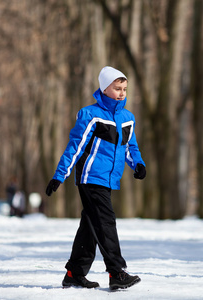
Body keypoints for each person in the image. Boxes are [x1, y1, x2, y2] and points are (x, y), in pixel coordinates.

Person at [45, 66, 146, 290]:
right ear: (104, 88)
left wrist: (138, 164)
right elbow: (76, 147)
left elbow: (130, 147)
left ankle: (74, 273)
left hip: (110, 179)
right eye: (117, 88)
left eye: (125, 89)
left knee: (90, 225)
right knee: (106, 222)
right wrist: (59, 175)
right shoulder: (90, 115)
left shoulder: (127, 118)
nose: (121, 93)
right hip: (90, 177)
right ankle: (117, 272)